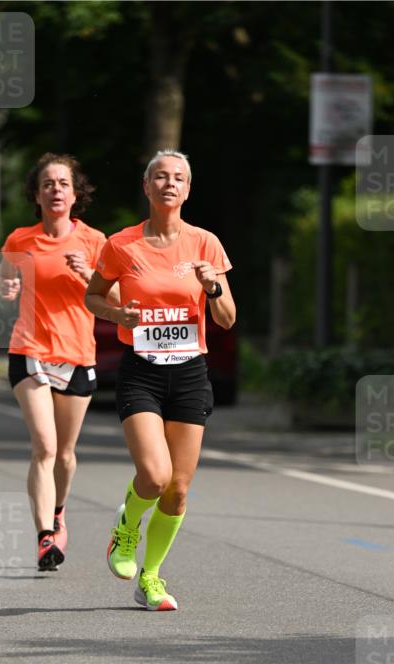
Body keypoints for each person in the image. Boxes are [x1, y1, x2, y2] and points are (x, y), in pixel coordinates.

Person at [85, 149, 235, 611]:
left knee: (179, 488)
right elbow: (93, 296)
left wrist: (212, 287)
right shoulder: (121, 245)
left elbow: (227, 319)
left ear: (188, 191)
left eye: (179, 178)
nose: (170, 184)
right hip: (142, 371)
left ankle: (151, 577)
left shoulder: (205, 243)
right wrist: (117, 312)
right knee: (154, 475)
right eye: (161, 177)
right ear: (147, 187)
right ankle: (125, 528)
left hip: (190, 372)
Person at [0, 153, 114, 571]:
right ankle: (46, 536)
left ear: (76, 192)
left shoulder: (96, 242)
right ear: (36, 193)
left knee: (65, 453)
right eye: (48, 183)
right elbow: (2, 279)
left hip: (78, 354)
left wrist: (88, 275)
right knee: (44, 446)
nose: (56, 190)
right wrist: (6, 287)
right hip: (29, 350)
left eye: (63, 183)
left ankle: (58, 510)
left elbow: (116, 302)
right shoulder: (20, 240)